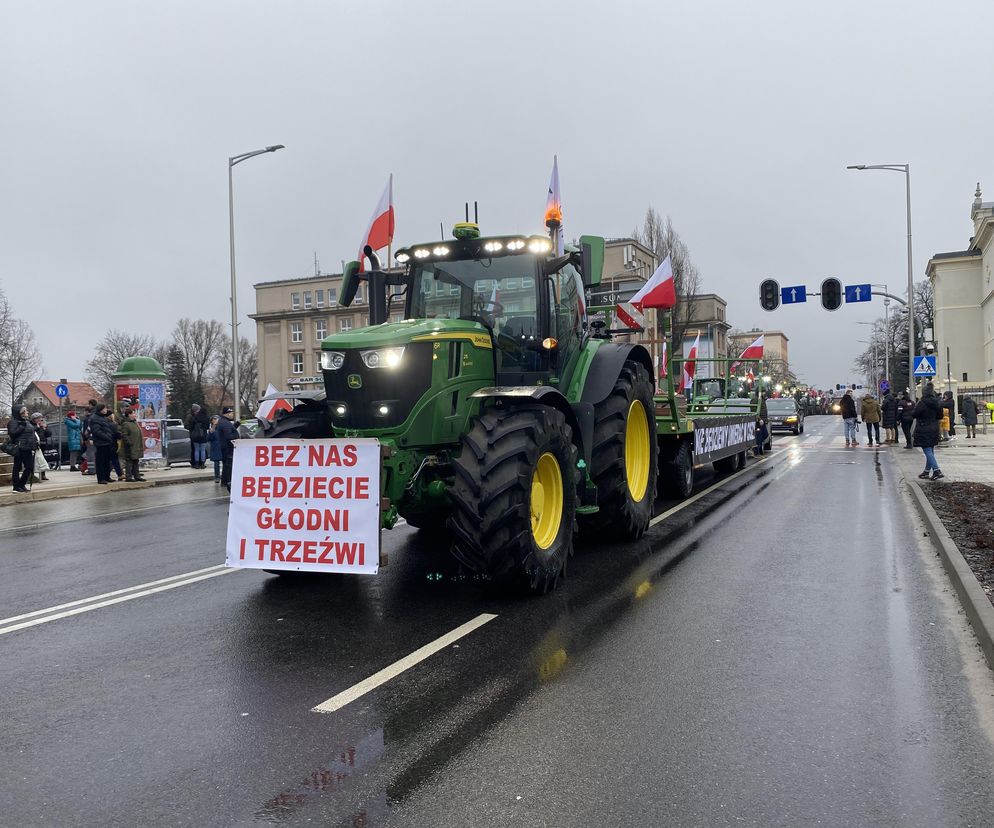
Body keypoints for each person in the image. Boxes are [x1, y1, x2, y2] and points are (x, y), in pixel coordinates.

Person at [913, 384, 943, 480]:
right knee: (931, 450)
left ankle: (936, 470)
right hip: (934, 428)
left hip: (923, 428)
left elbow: (914, 414)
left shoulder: (921, 403)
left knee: (927, 450)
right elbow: (940, 416)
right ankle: (926, 471)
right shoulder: (938, 402)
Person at [88, 403, 120, 484]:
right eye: (105, 409)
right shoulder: (95, 418)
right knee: (100, 461)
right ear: (100, 410)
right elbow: (97, 431)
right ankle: (101, 478)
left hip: (107, 443)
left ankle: (107, 477)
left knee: (107, 461)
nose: (106, 410)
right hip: (101, 443)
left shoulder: (102, 417)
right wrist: (107, 437)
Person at [7, 405, 36, 493]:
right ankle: (16, 486)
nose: (27, 412)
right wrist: (21, 427)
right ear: (21, 412)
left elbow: (31, 433)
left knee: (30, 467)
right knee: (17, 467)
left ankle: (21, 484)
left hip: (28, 447)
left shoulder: (26, 422)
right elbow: (12, 433)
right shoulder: (13, 422)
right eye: (26, 410)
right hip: (19, 447)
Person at [216, 406, 239, 492]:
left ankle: (225, 481)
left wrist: (235, 425)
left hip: (225, 446)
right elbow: (229, 435)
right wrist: (237, 438)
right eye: (232, 413)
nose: (233, 414)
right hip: (228, 447)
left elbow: (228, 431)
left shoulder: (224, 422)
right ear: (228, 414)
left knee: (226, 465)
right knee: (228, 465)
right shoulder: (225, 423)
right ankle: (227, 481)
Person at [119, 407, 145, 481]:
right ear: (129, 415)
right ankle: (128, 476)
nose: (135, 415)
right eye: (133, 413)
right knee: (129, 462)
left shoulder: (134, 423)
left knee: (136, 461)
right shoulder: (126, 424)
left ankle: (137, 476)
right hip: (130, 447)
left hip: (136, 445)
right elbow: (124, 435)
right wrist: (129, 443)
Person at [186, 404, 211, 469]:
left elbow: (190, 426)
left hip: (195, 436)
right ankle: (202, 463)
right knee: (202, 450)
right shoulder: (206, 418)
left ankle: (196, 464)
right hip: (203, 436)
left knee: (196, 450)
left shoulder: (195, 417)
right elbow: (208, 427)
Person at [30, 413, 51, 481]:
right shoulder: (31, 425)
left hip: (42, 444)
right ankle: (31, 474)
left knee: (42, 459)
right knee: (32, 460)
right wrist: (37, 427)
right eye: (38, 418)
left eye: (41, 418)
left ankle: (43, 474)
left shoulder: (42, 425)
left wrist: (45, 428)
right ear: (34, 419)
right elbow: (31, 432)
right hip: (34, 444)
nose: (40, 420)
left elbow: (49, 434)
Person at [81, 398, 98, 475]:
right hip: (98, 438)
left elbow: (87, 429)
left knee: (90, 455)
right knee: (95, 454)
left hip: (91, 438)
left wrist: (85, 438)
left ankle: (91, 470)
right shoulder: (97, 413)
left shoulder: (90, 417)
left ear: (91, 405)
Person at [207, 414, 223, 483]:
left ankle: (225, 476)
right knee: (216, 463)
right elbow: (209, 439)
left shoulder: (222, 427)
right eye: (213, 420)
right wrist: (211, 432)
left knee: (225, 463)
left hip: (222, 446)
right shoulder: (212, 429)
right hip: (215, 447)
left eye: (216, 420)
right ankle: (217, 477)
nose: (215, 421)